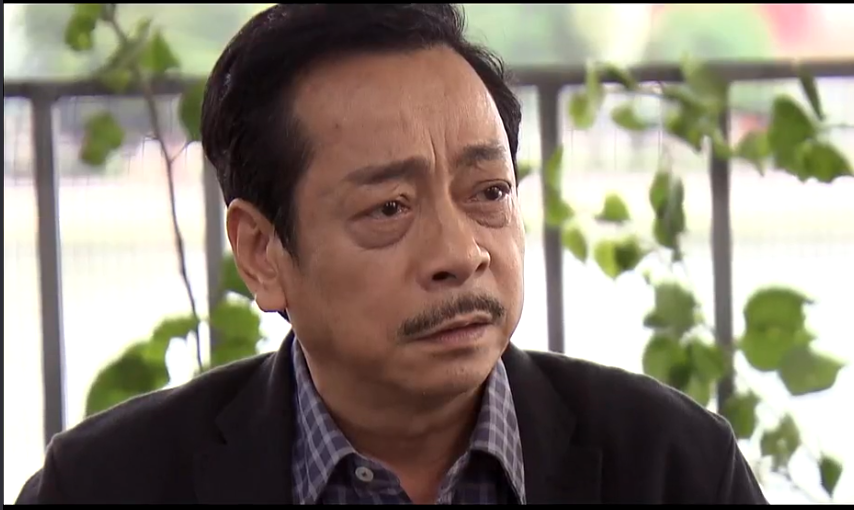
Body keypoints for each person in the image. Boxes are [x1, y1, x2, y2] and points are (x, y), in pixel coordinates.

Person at [16, 4, 765, 505]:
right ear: (262, 253)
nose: (460, 254)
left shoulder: (674, 468)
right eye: (389, 208)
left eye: (489, 192)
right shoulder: (104, 486)